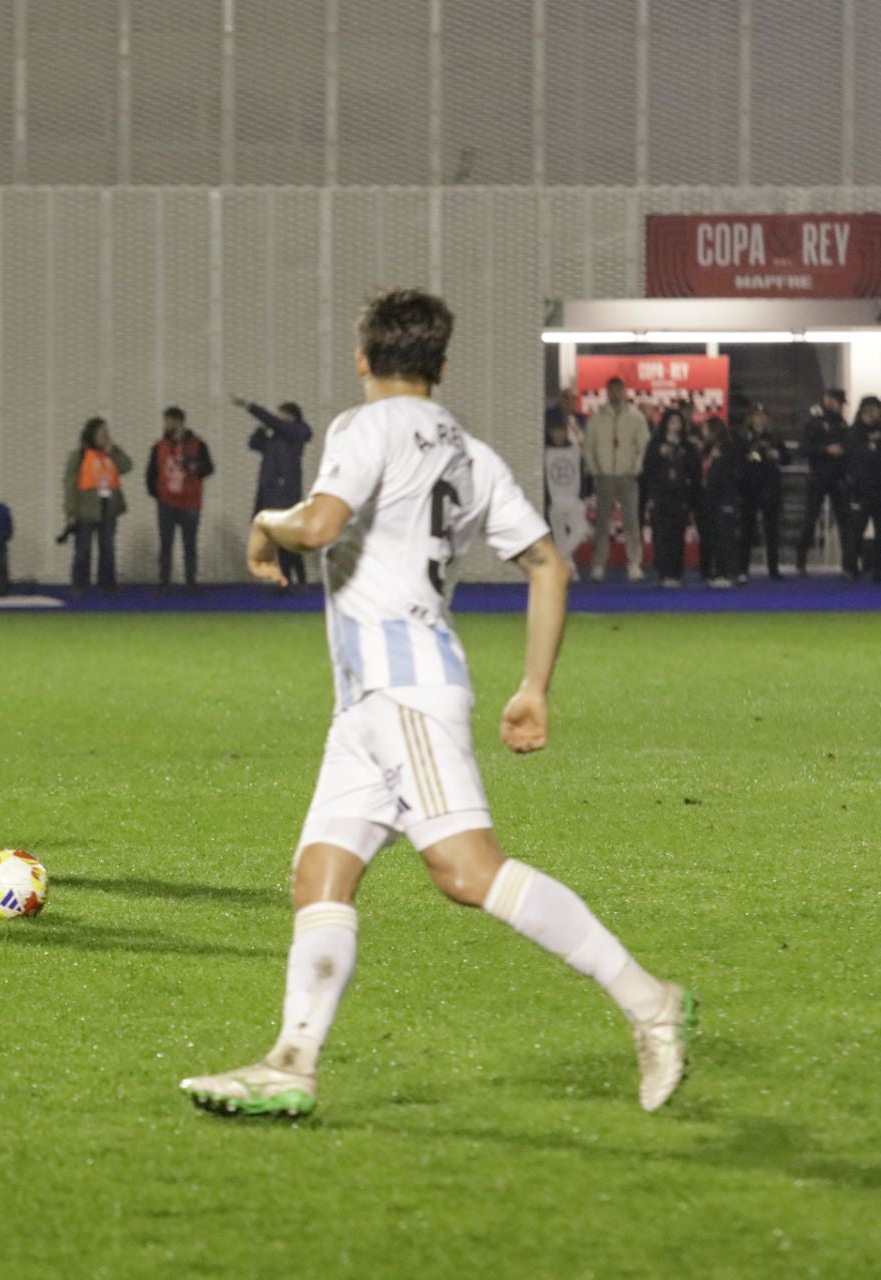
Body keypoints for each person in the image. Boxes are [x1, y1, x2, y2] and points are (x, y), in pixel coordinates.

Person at [179, 288, 692, 1119]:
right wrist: (533, 687)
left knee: (465, 871)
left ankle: (649, 1001)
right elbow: (550, 567)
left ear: (362, 360)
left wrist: (264, 522)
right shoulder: (473, 452)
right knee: (320, 875)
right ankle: (291, 1064)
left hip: (402, 684)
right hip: (371, 701)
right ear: (442, 366)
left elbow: (317, 525)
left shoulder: (362, 427)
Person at [236, 396, 315, 585]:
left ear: (291, 416)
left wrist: (251, 406)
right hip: (270, 493)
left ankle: (299, 579)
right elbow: (254, 443)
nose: (277, 419)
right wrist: (262, 428)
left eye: (281, 415)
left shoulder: (297, 432)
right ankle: (286, 579)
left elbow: (277, 424)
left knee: (289, 538)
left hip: (286, 494)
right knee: (277, 540)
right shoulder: (275, 438)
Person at [583, 377, 649, 581]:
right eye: (611, 390)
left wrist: (636, 468)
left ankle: (634, 563)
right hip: (605, 477)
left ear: (624, 391)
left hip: (628, 476)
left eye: (618, 390)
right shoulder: (597, 418)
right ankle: (599, 563)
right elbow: (588, 446)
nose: (615, 394)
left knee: (632, 522)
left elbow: (644, 446)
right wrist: (596, 470)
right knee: (602, 523)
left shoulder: (635, 417)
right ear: (607, 392)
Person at [146, 406, 215, 591]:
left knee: (189, 544)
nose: (166, 425)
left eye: (169, 421)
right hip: (166, 503)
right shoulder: (159, 446)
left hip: (190, 503)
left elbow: (208, 469)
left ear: (178, 423)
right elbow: (151, 473)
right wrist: (158, 495)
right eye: (165, 421)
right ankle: (164, 582)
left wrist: (194, 466)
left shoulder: (198, 444)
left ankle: (191, 582)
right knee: (165, 544)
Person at [62, 418, 133, 590]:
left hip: (108, 508)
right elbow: (70, 484)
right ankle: (80, 584)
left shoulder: (111, 453)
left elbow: (127, 466)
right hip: (86, 509)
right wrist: (71, 512)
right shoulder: (79, 455)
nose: (106, 436)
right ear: (92, 435)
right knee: (83, 550)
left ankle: (107, 584)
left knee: (108, 549)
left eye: (107, 433)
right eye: (102, 433)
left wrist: (113, 451)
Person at [796, 389, 854, 578]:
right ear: (828, 400)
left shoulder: (842, 423)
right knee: (810, 519)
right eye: (837, 402)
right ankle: (800, 561)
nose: (839, 406)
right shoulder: (813, 421)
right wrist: (826, 450)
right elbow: (804, 448)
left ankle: (848, 564)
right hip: (819, 475)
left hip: (838, 477)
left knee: (845, 521)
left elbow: (849, 446)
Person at [641, 409, 700, 588]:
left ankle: (676, 572)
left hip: (680, 495)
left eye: (678, 422)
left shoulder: (687, 445)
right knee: (661, 535)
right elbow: (647, 467)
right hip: (660, 495)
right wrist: (660, 453)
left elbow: (695, 470)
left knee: (677, 535)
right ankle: (663, 572)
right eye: (671, 421)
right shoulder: (655, 443)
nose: (675, 425)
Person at [738, 405, 787, 581]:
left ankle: (773, 568)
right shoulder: (743, 437)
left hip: (770, 486)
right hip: (749, 487)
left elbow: (786, 457)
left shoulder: (774, 437)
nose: (760, 420)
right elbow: (738, 457)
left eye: (762, 416)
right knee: (746, 530)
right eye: (756, 416)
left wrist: (777, 454)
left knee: (772, 530)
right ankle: (742, 568)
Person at [696, 416, 743, 587]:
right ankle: (719, 571)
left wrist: (719, 459)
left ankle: (727, 572)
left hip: (725, 497)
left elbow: (732, 473)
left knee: (726, 536)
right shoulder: (707, 449)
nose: (703, 432)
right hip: (711, 498)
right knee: (715, 536)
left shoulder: (729, 449)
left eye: (706, 429)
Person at [541, 415, 587, 572]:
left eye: (561, 431)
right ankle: (567, 568)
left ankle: (556, 559)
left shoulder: (575, 450)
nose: (558, 434)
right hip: (554, 500)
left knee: (580, 530)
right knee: (560, 537)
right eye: (555, 431)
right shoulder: (544, 452)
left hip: (573, 498)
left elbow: (583, 470)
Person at [847, 396, 881, 580]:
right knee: (856, 529)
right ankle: (850, 567)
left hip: (879, 487)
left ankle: (878, 569)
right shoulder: (855, 432)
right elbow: (856, 457)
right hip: (860, 488)